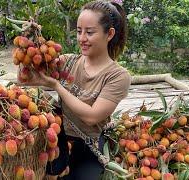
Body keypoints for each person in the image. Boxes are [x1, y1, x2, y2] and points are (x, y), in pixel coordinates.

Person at [19, 1, 131, 179]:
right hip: (56, 141)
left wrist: (56, 86)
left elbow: (91, 116)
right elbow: (25, 79)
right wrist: (27, 48)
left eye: (90, 32)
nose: (82, 38)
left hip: (88, 147)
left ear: (109, 34)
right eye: (79, 31)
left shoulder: (118, 76)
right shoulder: (68, 61)